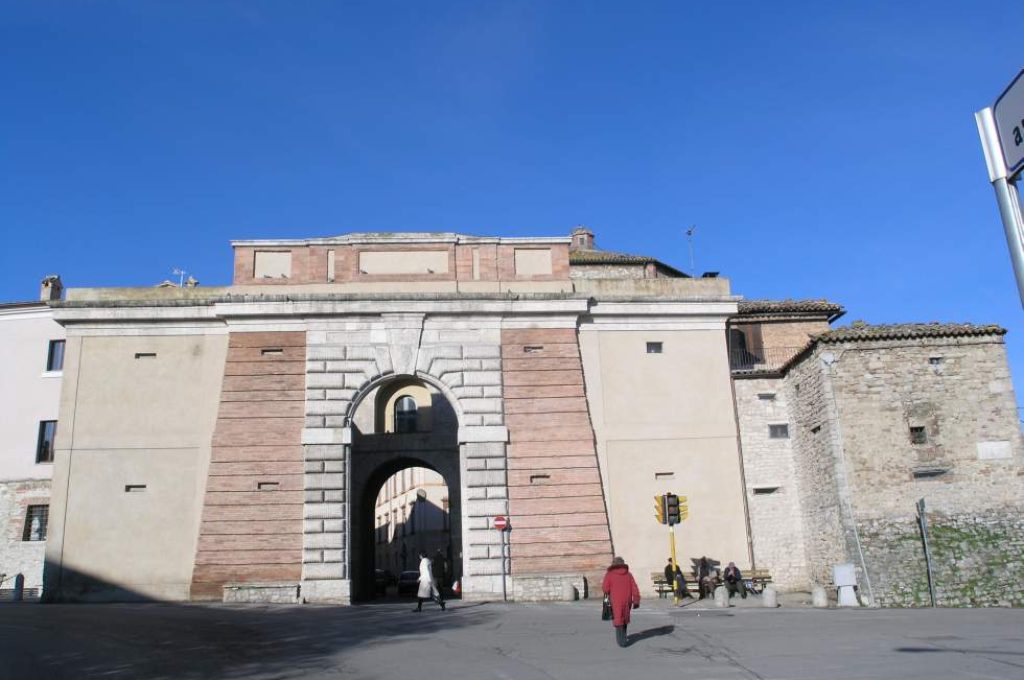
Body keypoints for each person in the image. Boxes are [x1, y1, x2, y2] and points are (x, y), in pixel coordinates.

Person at [602, 556, 640, 648]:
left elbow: (605, 589)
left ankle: (621, 641)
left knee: (618, 618)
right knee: (625, 617)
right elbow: (634, 587)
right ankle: (624, 636)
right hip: (627, 600)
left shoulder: (609, 574)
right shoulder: (628, 574)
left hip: (615, 601)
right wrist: (636, 600)